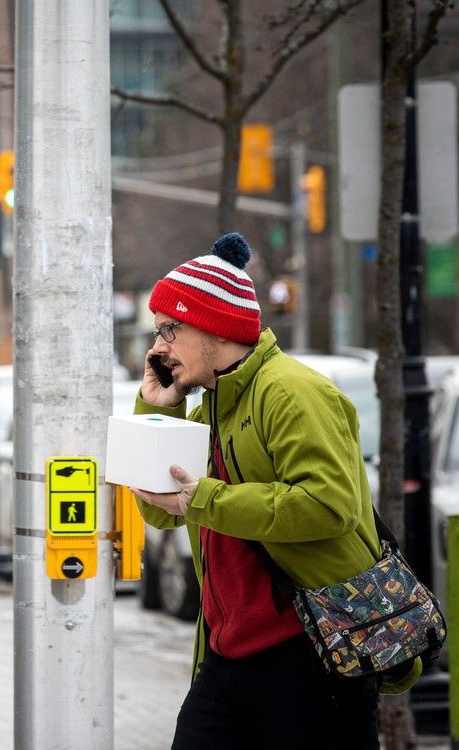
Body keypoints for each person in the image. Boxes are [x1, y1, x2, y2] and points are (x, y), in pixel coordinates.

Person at [127, 233, 414, 749]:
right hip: (225, 657)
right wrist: (158, 407)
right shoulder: (211, 405)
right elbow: (163, 514)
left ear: (214, 328)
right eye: (157, 331)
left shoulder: (292, 392)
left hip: (309, 654)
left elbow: (328, 506)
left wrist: (205, 499)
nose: (158, 347)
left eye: (170, 329)